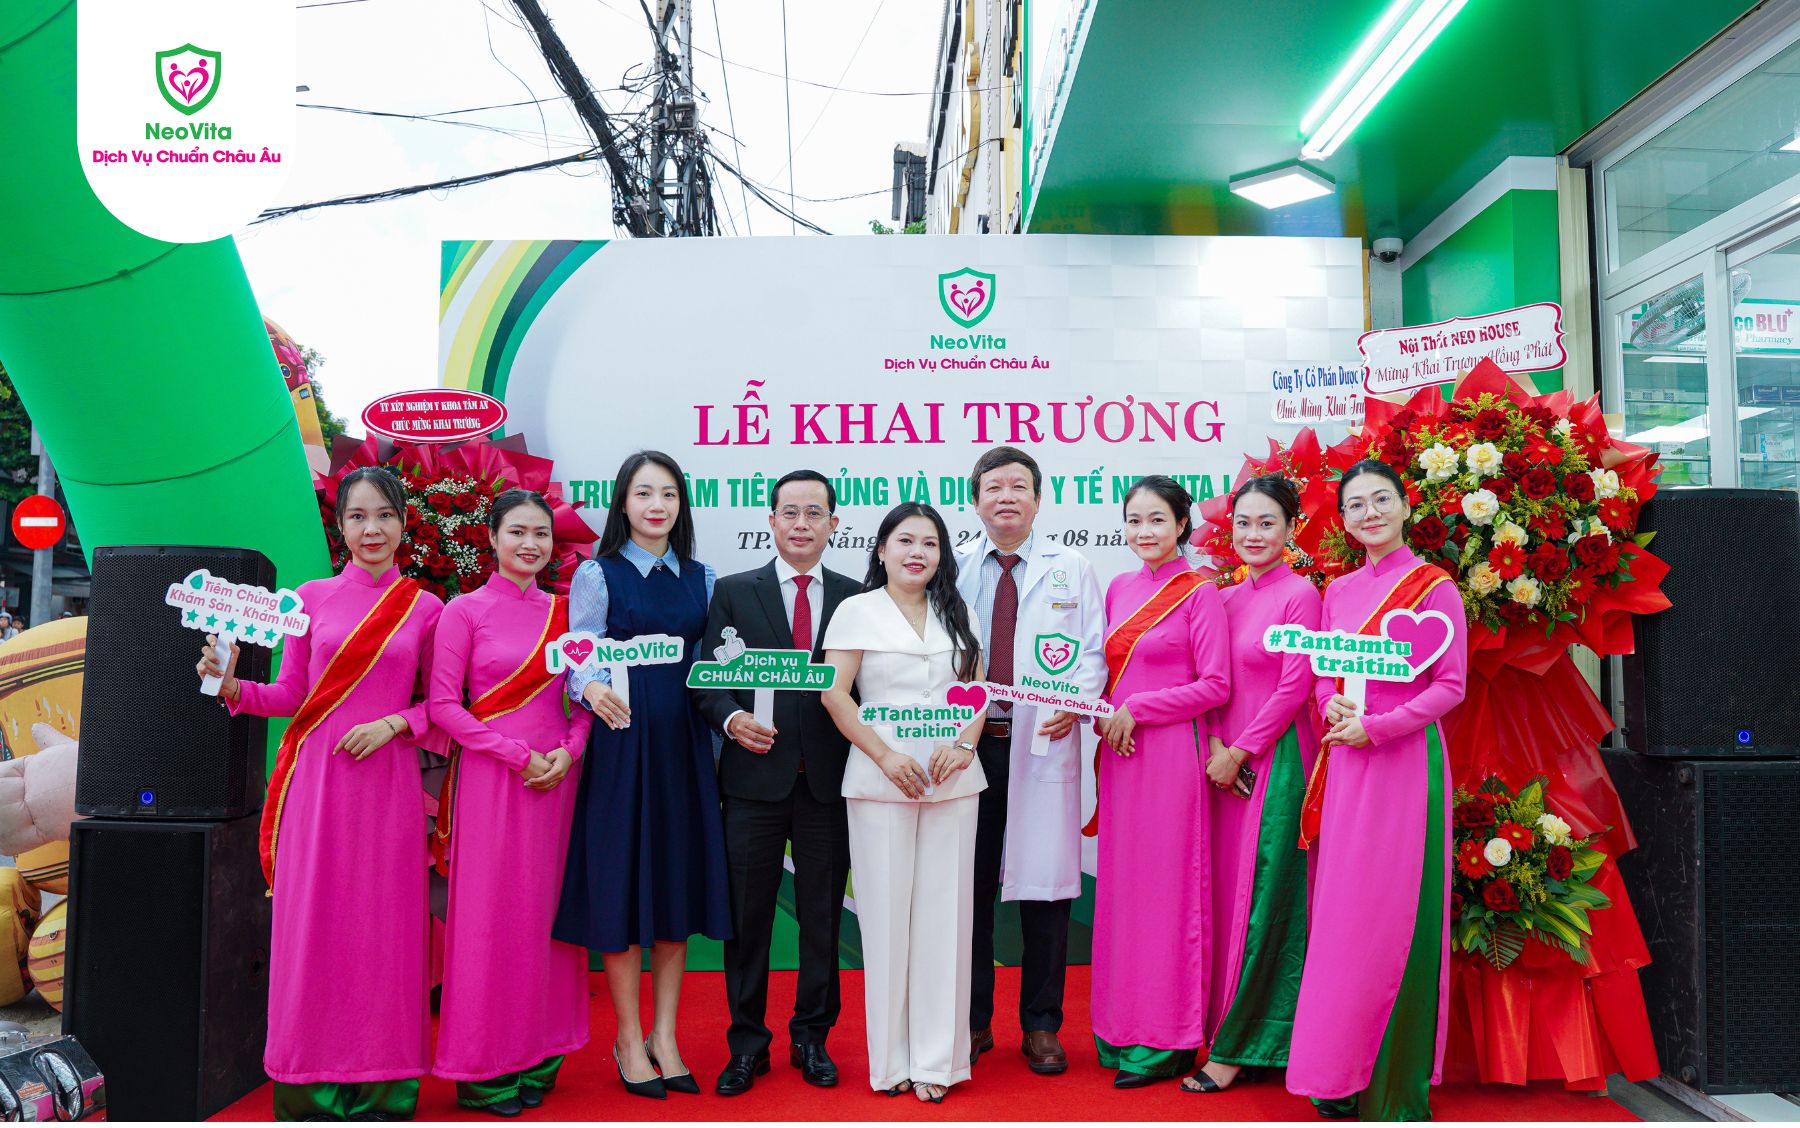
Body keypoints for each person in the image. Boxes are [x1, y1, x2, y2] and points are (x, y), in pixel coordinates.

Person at [198, 466, 443, 1121]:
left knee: (386, 929)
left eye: (384, 515)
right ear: (340, 527)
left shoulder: (426, 609)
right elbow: (291, 695)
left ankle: (386, 1085)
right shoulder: (309, 599)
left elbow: (443, 706)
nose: (372, 529)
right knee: (315, 927)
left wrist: (396, 723)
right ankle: (312, 1085)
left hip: (387, 789)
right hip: (318, 788)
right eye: (358, 516)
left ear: (403, 523)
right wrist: (231, 686)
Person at [1286, 459, 1467, 1122]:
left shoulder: (1434, 587)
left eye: (1381, 500)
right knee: (1342, 916)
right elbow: (1322, 673)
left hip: (1403, 765)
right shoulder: (1337, 592)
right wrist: (1331, 705)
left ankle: (1389, 1080)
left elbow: (1451, 686)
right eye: (1356, 505)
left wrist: (1378, 727)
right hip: (1346, 763)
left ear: (1405, 506)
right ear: (1344, 519)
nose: (1370, 513)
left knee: (1392, 915)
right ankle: (1336, 1067)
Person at [552, 450, 729, 1101]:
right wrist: (590, 686)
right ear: (623, 502)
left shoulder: (703, 578)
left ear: (682, 506)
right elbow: (578, 652)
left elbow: (714, 664)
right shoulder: (597, 574)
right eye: (644, 493)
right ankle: (628, 1038)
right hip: (622, 751)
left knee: (675, 892)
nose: (657, 505)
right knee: (623, 890)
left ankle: (666, 1037)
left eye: (669, 494)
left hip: (684, 751)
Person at [691, 470, 860, 1096]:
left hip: (828, 784)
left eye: (815, 513)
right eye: (790, 512)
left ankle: (812, 1037)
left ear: (833, 524)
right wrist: (732, 719)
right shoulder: (735, 592)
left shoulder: (857, 598)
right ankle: (746, 1044)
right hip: (752, 782)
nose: (801, 524)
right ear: (771, 520)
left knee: (821, 918)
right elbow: (708, 680)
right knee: (748, 918)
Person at [428, 490, 592, 1116]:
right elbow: (444, 706)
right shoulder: (463, 612)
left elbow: (584, 697)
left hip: (557, 784)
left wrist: (569, 753)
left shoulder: (568, 614)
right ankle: (484, 1068)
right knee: (488, 922)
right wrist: (518, 757)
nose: (530, 544)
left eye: (541, 534)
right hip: (494, 782)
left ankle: (542, 1053)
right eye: (517, 532)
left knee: (548, 918)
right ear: (493, 538)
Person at [820, 502, 986, 1104]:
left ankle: (938, 1062)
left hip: (952, 782)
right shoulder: (855, 610)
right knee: (887, 921)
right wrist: (885, 756)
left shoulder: (957, 609)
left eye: (930, 544)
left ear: (942, 555)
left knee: (946, 920)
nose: (918, 553)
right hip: (879, 781)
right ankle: (890, 1063)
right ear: (882, 549)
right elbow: (835, 695)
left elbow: (977, 688)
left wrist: (964, 745)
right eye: (906, 541)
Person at [951, 447, 1104, 1076]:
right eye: (993, 487)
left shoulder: (1073, 568)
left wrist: (1075, 700)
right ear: (976, 501)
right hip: (969, 746)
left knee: (1047, 890)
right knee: (967, 888)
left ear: (1038, 500)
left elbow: (1092, 651)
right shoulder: (952, 567)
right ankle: (971, 1020)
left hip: (1042, 740)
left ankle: (1042, 1024)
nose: (1006, 497)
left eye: (1019, 486)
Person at [1091, 475, 1230, 1089]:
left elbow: (1216, 685)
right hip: (1122, 755)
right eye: (1133, 520)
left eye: (1156, 520)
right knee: (1125, 892)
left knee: (1168, 893)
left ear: (1181, 525)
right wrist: (1100, 714)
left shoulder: (1199, 592)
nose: (1143, 531)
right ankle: (1122, 1026)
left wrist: (1139, 710)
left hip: (1173, 755)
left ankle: (1168, 1037)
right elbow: (1106, 676)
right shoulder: (1118, 588)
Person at [1183, 476, 1321, 1095]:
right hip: (1220, 767)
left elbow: (1295, 686)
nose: (1254, 535)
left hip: (1276, 760)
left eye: (1267, 523)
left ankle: (1246, 1044)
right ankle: (1221, 1027)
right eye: (1244, 523)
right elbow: (1208, 679)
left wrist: (1241, 750)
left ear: (1291, 528)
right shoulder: (1223, 597)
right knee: (1223, 899)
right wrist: (1216, 745)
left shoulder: (1302, 596)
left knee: (1268, 897)